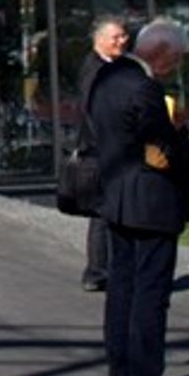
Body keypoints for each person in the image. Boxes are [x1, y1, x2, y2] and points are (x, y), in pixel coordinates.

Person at [93, 19, 189, 376]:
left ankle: (122, 373)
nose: (177, 67)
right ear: (161, 55)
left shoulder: (105, 79)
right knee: (150, 290)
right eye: (176, 59)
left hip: (115, 194)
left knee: (122, 286)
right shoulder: (145, 89)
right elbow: (164, 154)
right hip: (150, 200)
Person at [74, 19, 135, 292]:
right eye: (116, 37)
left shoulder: (110, 67)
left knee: (108, 211)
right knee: (103, 212)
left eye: (124, 36)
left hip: (107, 148)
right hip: (103, 150)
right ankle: (98, 271)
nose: (122, 41)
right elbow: (94, 112)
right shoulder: (96, 71)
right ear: (99, 40)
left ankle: (105, 269)